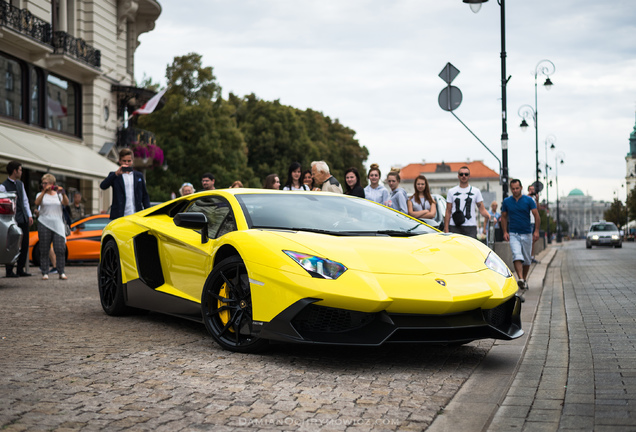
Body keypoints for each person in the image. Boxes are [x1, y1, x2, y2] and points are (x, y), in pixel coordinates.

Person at [500, 179, 540, 292]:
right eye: (513, 189)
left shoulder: (528, 200)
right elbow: (503, 216)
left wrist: (536, 231)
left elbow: (536, 215)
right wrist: (505, 232)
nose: (515, 190)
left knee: (527, 260)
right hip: (514, 233)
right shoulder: (507, 201)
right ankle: (521, 278)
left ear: (521, 188)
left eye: (517, 188)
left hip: (527, 233)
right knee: (517, 255)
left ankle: (524, 279)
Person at [0, 161, 33, 277]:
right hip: (12, 220)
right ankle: (9, 271)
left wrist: (29, 215)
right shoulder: (3, 186)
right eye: (20, 169)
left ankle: (20, 269)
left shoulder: (20, 184)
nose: (21, 172)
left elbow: (25, 201)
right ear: (15, 171)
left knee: (24, 244)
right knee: (12, 244)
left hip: (23, 217)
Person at [34, 174, 69, 280]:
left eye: (46, 183)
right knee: (44, 249)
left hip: (58, 224)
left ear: (52, 184)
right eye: (43, 183)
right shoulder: (40, 194)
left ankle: (61, 271)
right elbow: (37, 203)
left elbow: (66, 203)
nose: (44, 185)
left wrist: (63, 193)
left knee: (60, 248)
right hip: (44, 223)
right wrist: (44, 191)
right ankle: (45, 272)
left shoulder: (58, 195)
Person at [100, 148, 151, 219]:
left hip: (136, 216)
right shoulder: (115, 175)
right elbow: (103, 186)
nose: (127, 163)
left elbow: (145, 196)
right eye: (124, 161)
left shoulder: (138, 176)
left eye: (129, 161)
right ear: (120, 161)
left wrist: (148, 213)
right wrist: (116, 174)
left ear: (132, 161)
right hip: (119, 216)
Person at [443, 166, 490, 238]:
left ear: (469, 176)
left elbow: (482, 209)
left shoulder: (476, 191)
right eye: (461, 174)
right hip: (455, 225)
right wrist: (446, 228)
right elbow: (448, 210)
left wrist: (490, 217)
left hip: (470, 226)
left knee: (470, 248)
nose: (464, 176)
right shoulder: (451, 191)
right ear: (458, 176)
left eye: (466, 174)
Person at [527, 184, 540, 263]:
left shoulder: (534, 199)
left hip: (533, 221)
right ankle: (528, 257)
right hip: (528, 221)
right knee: (529, 240)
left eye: (533, 190)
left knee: (533, 240)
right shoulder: (526, 198)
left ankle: (531, 256)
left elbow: (538, 209)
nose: (532, 191)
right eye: (530, 189)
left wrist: (537, 200)